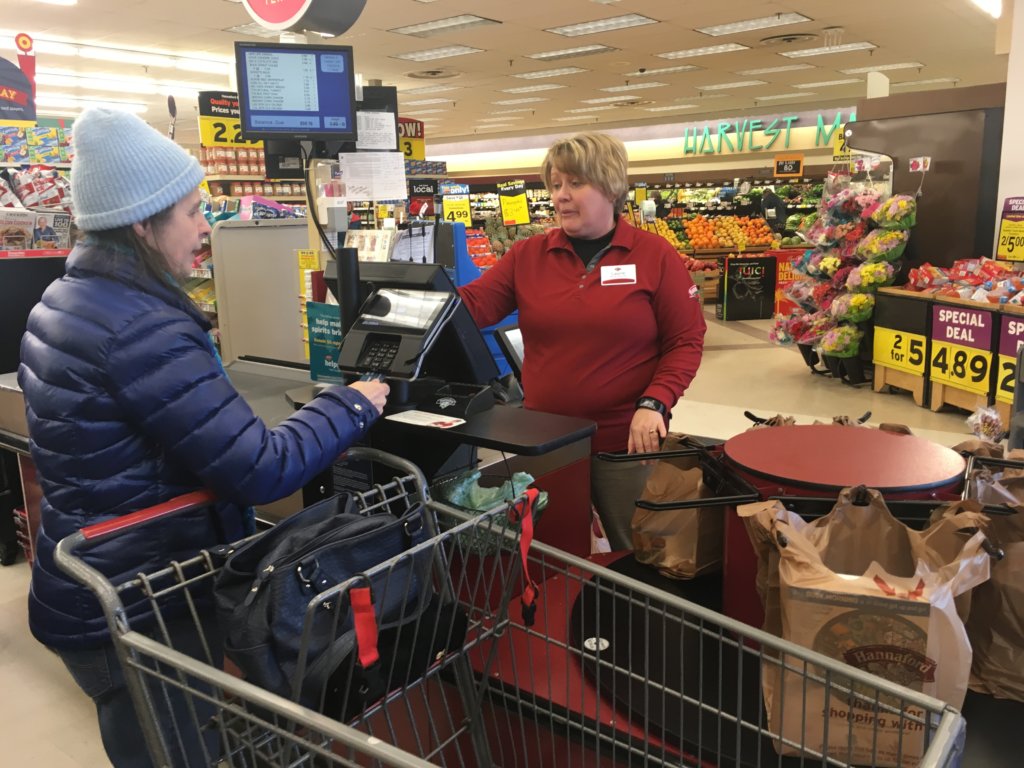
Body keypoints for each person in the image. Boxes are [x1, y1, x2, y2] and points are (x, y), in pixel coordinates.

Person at [18, 108, 389, 768]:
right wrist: (351, 404)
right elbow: (263, 469)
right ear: (142, 223)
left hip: (94, 584)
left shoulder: (68, 298)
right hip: (144, 601)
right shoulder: (141, 327)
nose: (204, 226)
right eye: (191, 211)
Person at [459, 132, 705, 551]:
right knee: (552, 556)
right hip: (546, 441)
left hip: (624, 443)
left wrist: (655, 403)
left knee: (639, 555)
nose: (561, 195)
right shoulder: (527, 256)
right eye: (555, 184)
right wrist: (415, 299)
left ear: (610, 186)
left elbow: (686, 340)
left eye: (575, 183)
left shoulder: (654, 255)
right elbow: (472, 307)